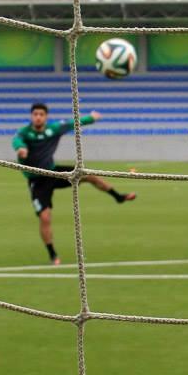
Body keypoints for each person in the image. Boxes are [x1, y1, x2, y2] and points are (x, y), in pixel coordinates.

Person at [13, 102, 136, 265]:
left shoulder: (54, 129)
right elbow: (17, 142)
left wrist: (91, 118)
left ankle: (118, 196)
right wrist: (21, 150)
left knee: (89, 175)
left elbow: (73, 123)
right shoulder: (24, 132)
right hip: (37, 180)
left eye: (41, 114)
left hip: (54, 173)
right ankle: (53, 254)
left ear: (46, 117)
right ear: (31, 116)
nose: (38, 117)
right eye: (35, 114)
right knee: (45, 217)